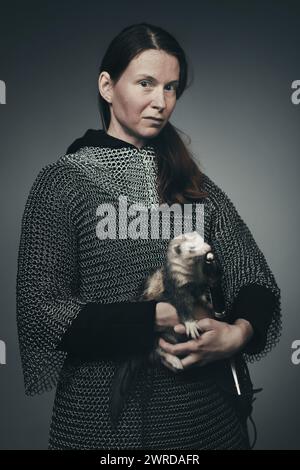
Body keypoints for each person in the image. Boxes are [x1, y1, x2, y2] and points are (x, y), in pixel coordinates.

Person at [16, 22, 281, 450]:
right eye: (146, 83)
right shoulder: (64, 184)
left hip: (206, 418)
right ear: (107, 86)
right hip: (106, 421)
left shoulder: (195, 186)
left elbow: (256, 279)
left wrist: (239, 334)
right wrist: (153, 317)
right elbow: (41, 310)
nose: (161, 102)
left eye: (171, 88)